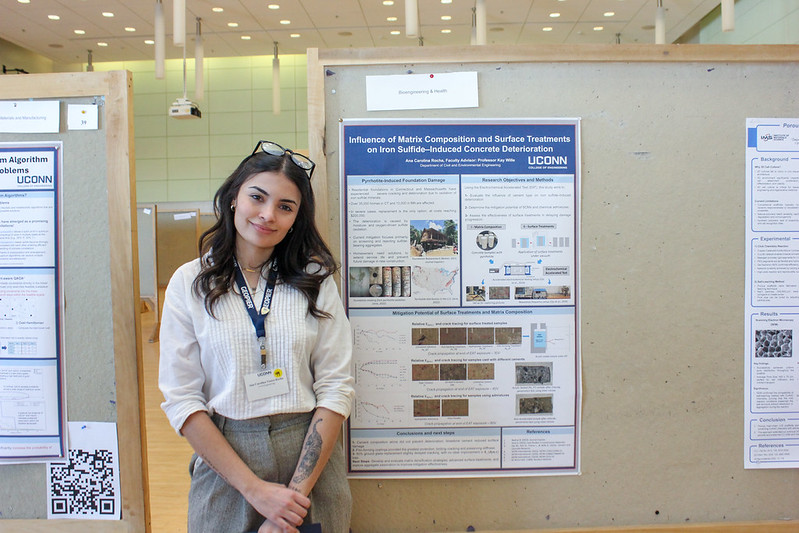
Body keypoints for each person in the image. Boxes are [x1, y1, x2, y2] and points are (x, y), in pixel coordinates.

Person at [158, 140, 354, 533]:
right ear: (234, 198)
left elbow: (336, 387)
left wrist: (290, 503)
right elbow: (181, 399)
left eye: (286, 207)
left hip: (309, 460)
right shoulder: (189, 282)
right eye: (257, 197)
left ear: (296, 218)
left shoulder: (315, 279)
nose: (268, 215)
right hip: (227, 460)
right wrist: (257, 492)